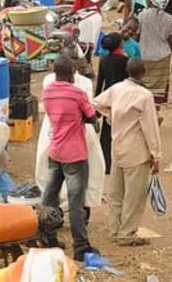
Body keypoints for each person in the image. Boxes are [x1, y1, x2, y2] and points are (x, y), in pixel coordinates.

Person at [38, 49, 105, 251]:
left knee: (50, 197)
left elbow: (53, 115)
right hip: (75, 153)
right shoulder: (77, 92)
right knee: (77, 202)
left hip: (54, 149)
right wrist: (83, 117)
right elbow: (92, 117)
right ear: (72, 73)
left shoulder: (48, 91)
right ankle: (80, 246)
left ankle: (48, 238)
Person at [94, 58, 162, 247]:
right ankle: (127, 234)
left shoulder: (117, 89)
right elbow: (150, 127)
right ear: (143, 73)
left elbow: (97, 103)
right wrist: (156, 154)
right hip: (136, 150)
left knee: (116, 192)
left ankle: (114, 230)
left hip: (117, 147)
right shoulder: (144, 96)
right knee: (134, 195)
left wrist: (112, 116)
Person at [95, 32, 129, 174]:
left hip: (109, 98)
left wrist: (97, 102)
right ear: (118, 44)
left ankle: (106, 164)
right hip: (122, 97)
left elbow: (100, 83)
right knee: (123, 131)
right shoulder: (125, 60)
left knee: (107, 132)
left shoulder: (103, 60)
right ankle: (121, 163)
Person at [138, 0, 172, 107]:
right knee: (158, 91)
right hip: (162, 59)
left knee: (142, 86)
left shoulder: (142, 16)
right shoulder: (169, 19)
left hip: (144, 55)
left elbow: (136, 35)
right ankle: (154, 112)